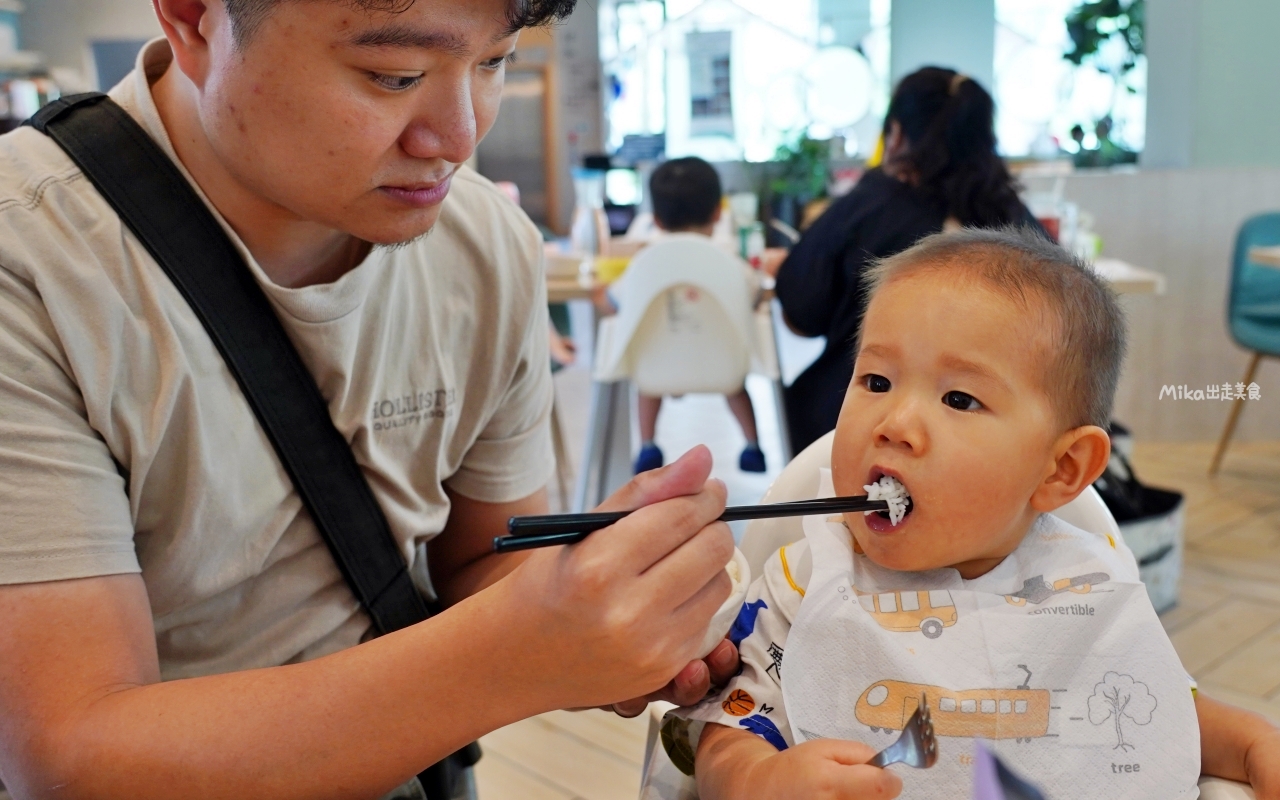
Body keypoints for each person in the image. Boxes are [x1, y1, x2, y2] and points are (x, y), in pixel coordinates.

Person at [0, 2, 741, 798]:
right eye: (396, 75)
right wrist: (510, 657)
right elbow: (69, 756)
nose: (458, 138)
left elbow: (477, 567)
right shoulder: (36, 260)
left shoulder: (484, 244)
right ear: (192, 18)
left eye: (495, 62)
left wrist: (598, 617)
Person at [670, 229, 1280, 799]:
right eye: (876, 380)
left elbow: (1160, 709)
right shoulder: (807, 585)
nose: (895, 425)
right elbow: (728, 731)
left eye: (959, 398)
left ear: (1061, 469)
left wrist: (1255, 747)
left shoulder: (1084, 580)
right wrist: (762, 779)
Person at [771, 67, 1038, 454]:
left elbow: (800, 314)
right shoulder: (1019, 223)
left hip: (856, 427)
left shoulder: (868, 206)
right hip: (992, 437)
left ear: (895, 135)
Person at [601, 157, 766, 475]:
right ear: (719, 212)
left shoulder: (643, 264)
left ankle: (648, 445)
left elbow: (615, 301)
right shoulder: (729, 263)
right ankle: (752, 446)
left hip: (657, 366)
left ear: (657, 219)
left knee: (646, 377)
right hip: (722, 365)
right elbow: (755, 295)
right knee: (736, 383)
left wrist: (599, 295)